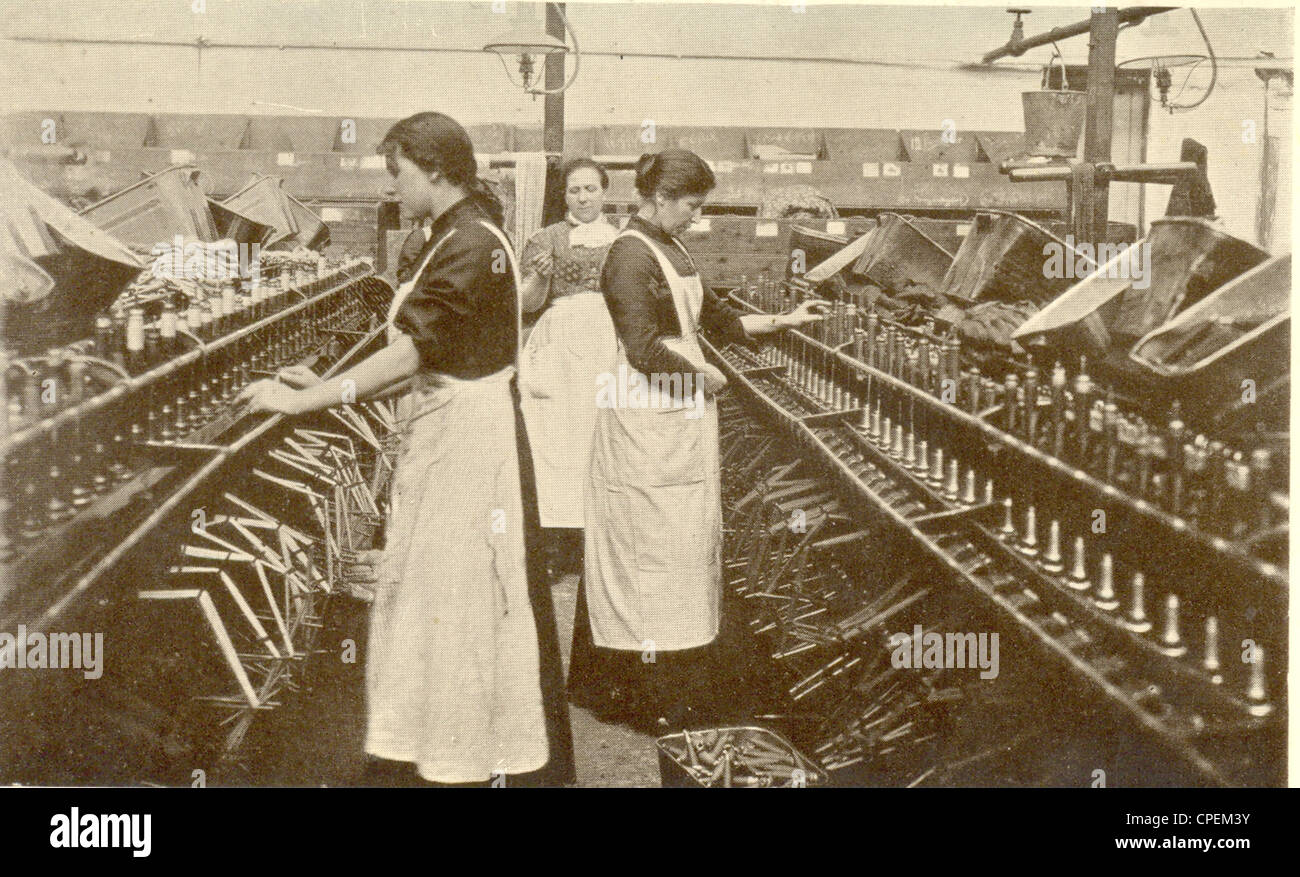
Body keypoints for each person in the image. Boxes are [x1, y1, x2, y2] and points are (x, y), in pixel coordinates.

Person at [239, 112, 573, 786]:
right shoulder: (457, 233)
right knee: (437, 594)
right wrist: (331, 377)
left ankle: (458, 755)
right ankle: (434, 744)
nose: (394, 187)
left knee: (454, 595)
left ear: (435, 168)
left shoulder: (470, 243)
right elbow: (415, 339)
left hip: (467, 443)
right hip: (455, 430)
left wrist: (306, 400)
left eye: (399, 172)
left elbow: (415, 350)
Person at [569, 148, 827, 730]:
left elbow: (714, 322)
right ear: (661, 198)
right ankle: (633, 694)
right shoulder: (628, 257)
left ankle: (671, 677)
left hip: (678, 418)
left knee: (676, 548)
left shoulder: (673, 248)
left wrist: (785, 321)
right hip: (645, 415)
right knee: (643, 550)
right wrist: (702, 376)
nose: (696, 215)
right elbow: (640, 348)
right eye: (691, 204)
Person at [517, 158, 618, 577]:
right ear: (563, 195)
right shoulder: (545, 239)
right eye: (574, 190)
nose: (583, 197)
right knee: (553, 441)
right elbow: (527, 305)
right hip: (558, 345)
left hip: (604, 344)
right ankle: (555, 547)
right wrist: (540, 279)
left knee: (599, 437)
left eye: (590, 189)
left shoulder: (623, 240)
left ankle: (593, 544)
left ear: (605, 192)